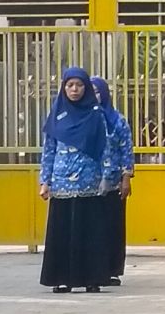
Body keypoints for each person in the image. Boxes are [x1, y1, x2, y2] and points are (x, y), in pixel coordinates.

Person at [38, 67, 118, 294]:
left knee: (90, 232)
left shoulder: (96, 115)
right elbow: (49, 150)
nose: (74, 90)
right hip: (62, 182)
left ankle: (92, 278)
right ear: (63, 87)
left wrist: (107, 176)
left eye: (79, 85)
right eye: (70, 85)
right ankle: (61, 278)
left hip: (89, 183)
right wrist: (45, 181)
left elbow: (106, 148)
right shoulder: (56, 115)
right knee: (62, 232)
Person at [93, 76, 134, 286]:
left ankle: (112, 270)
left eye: (97, 91)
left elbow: (126, 150)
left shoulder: (117, 120)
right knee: (93, 227)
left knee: (113, 227)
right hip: (88, 182)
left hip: (113, 180)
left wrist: (126, 177)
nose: (94, 95)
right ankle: (94, 268)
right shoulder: (83, 119)